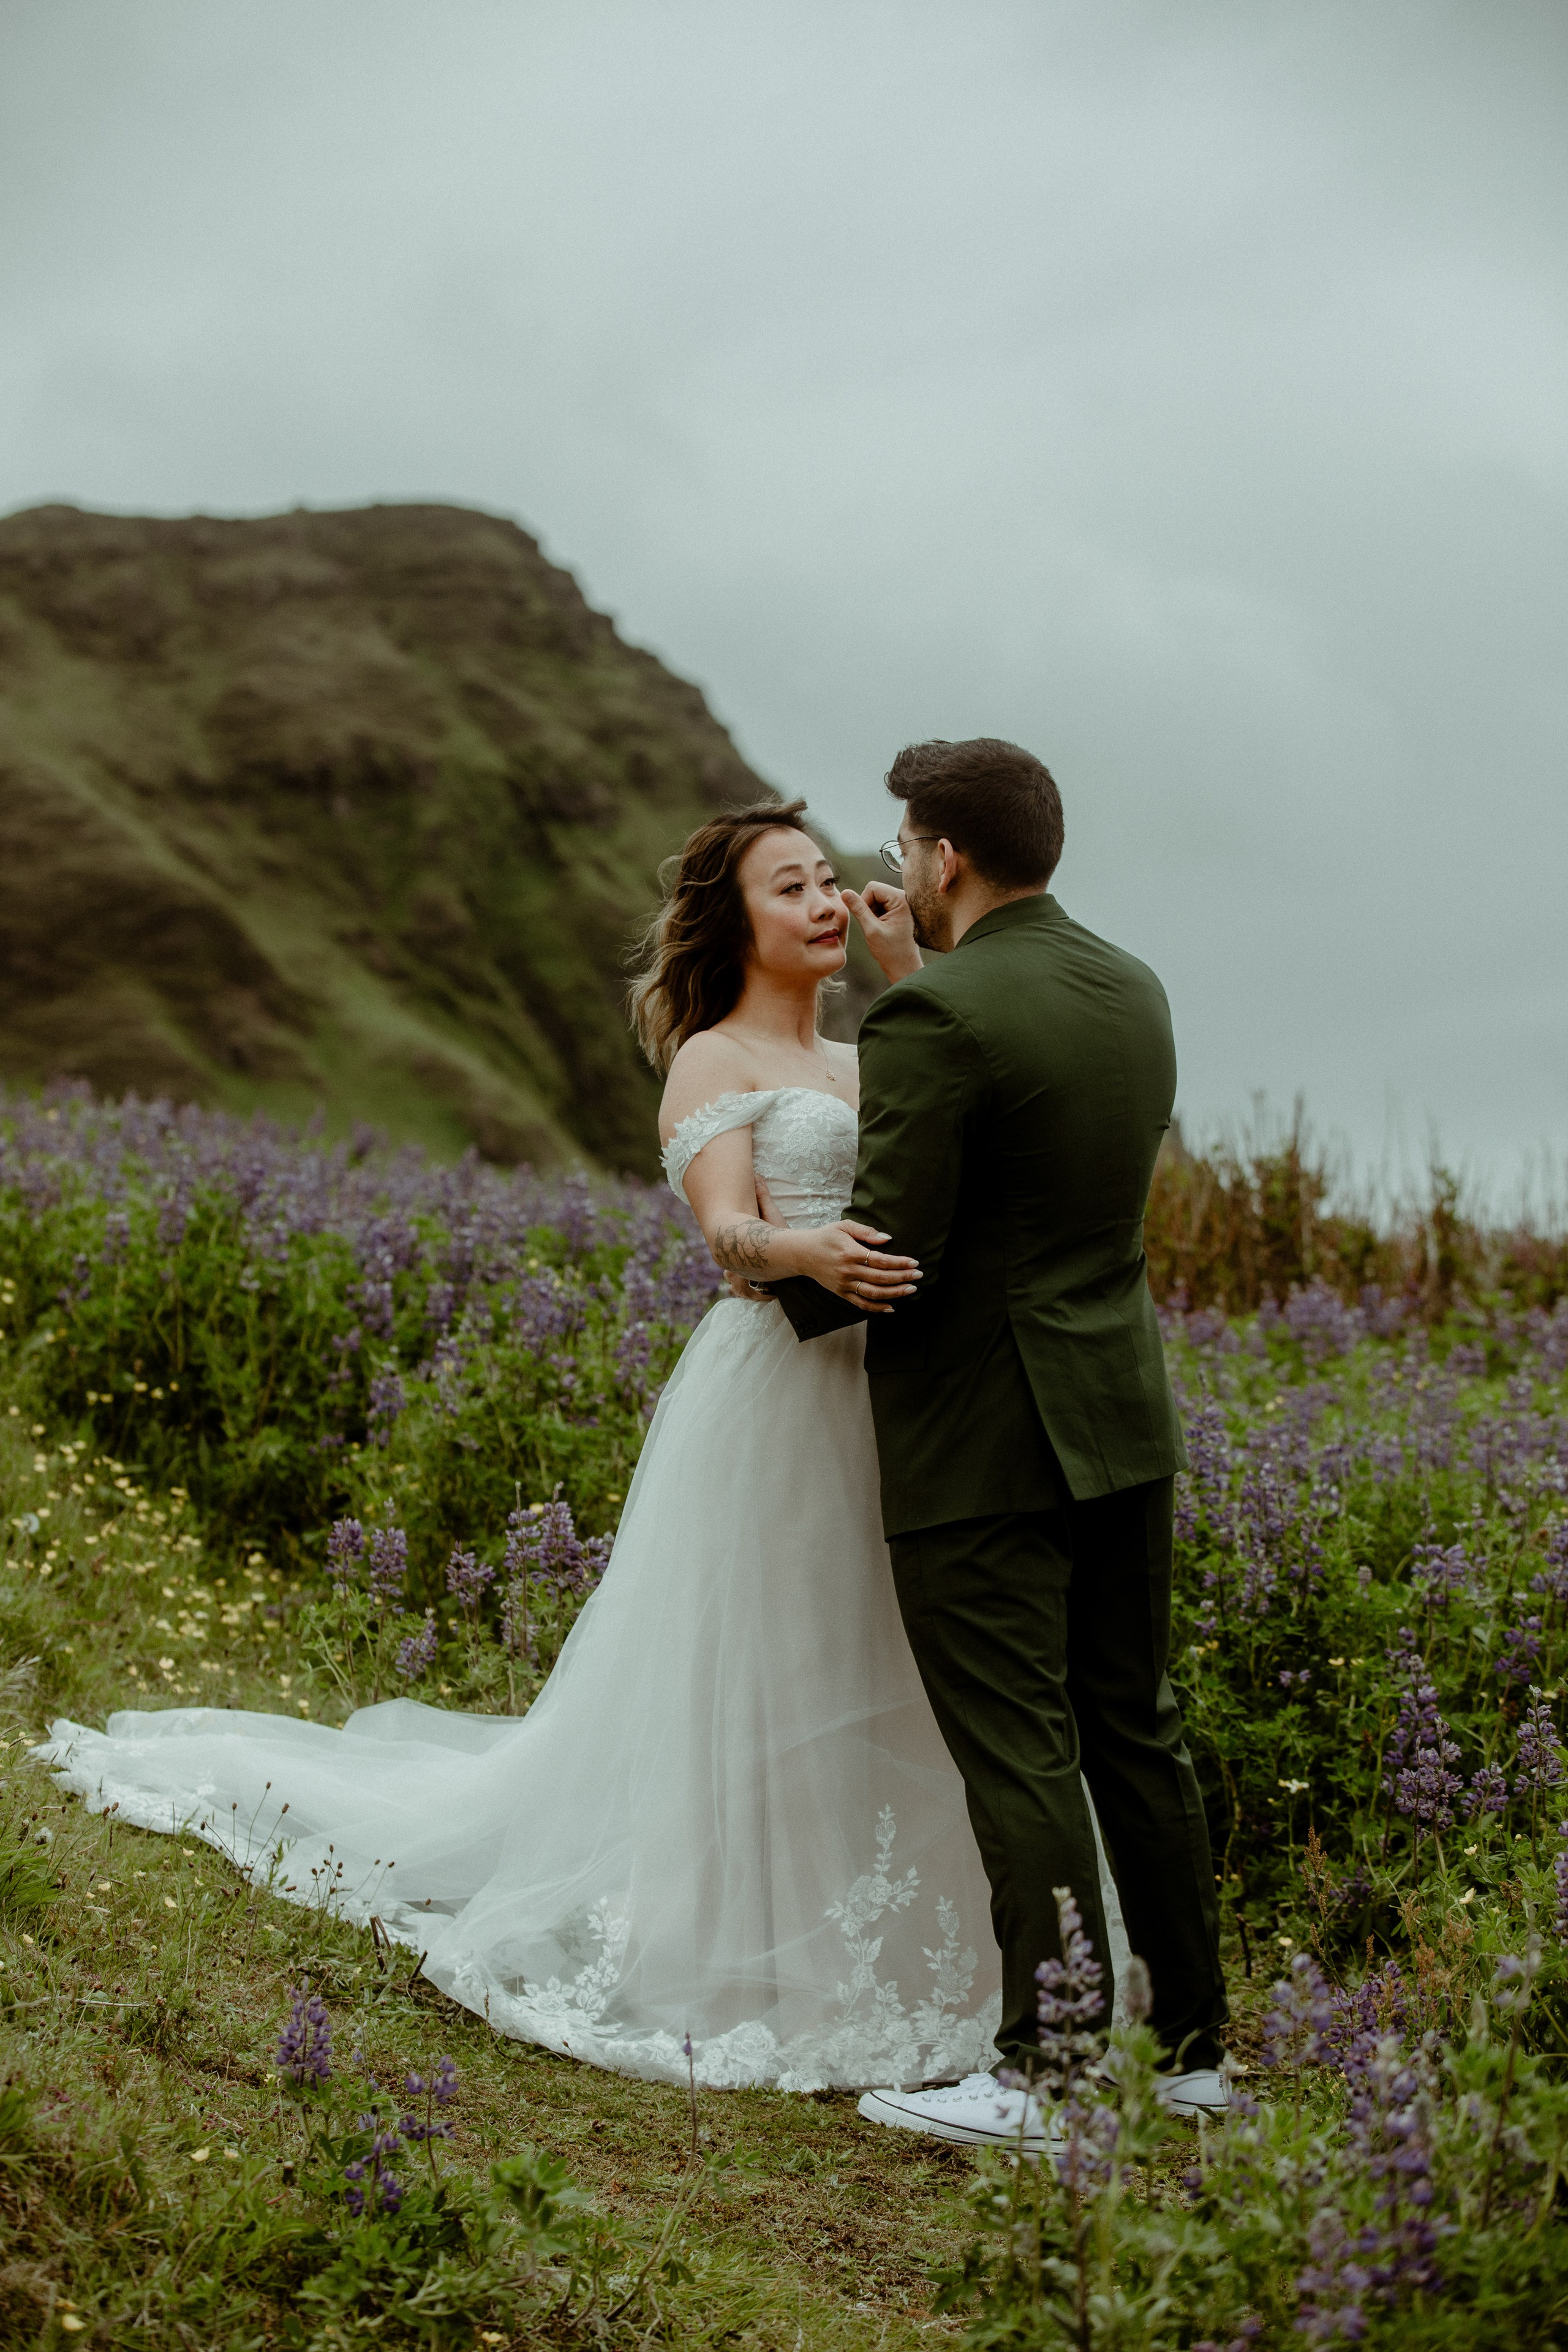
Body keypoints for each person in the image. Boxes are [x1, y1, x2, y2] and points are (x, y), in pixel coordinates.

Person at [38, 795, 1125, 2094]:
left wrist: (913, 977)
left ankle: (941, 1957)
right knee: (778, 1656)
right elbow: (723, 1234)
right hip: (780, 1388)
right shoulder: (714, 1060)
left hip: (905, 1397)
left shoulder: (877, 1046)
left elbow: (961, 1137)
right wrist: (801, 1249)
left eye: (832, 879)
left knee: (892, 1656)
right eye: (791, 888)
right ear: (732, 923)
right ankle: (749, 1945)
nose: (828, 900)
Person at [758, 738, 1229, 2146]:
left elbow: (891, 1246)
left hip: (980, 1433)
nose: (894, 870)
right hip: (1116, 1419)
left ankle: (1048, 2076)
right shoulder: (1129, 988)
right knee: (1134, 1732)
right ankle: (1196, 2062)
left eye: (904, 848)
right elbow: (1033, 1145)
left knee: (1017, 1747)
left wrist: (758, 1269)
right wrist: (920, 986)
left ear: (942, 858)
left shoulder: (934, 1022)